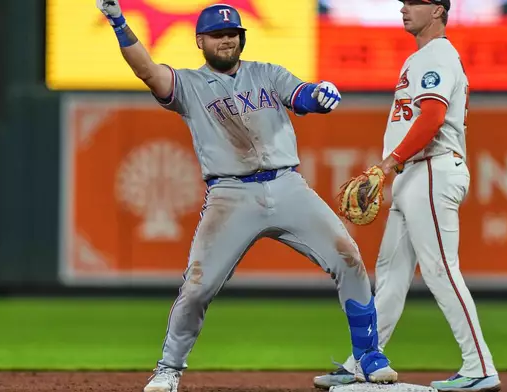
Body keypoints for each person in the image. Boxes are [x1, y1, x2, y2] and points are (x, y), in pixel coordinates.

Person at [95, 1, 398, 392]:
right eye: (218, 35)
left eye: (233, 34)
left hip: (288, 186)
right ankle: (168, 369)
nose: (227, 40)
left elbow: (302, 95)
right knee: (198, 286)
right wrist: (119, 21)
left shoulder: (267, 73)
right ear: (200, 41)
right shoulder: (188, 85)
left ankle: (369, 357)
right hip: (230, 193)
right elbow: (147, 71)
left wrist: (320, 95)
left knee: (349, 258)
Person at [313, 1, 501, 391]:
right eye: (403, 2)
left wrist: (387, 164)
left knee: (441, 270)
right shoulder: (419, 58)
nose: (403, 8)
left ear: (437, 11)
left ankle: (480, 365)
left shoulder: (437, 55)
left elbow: (431, 118)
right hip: (414, 175)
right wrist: (396, 168)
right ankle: (362, 361)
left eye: (414, 3)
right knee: (392, 275)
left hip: (430, 170)